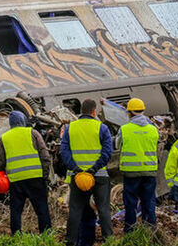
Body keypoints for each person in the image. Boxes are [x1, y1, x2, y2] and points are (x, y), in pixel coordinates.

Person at [61, 99, 113, 246]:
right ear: (94, 111)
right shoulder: (102, 128)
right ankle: (108, 241)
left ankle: (70, 241)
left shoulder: (70, 128)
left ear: (81, 111)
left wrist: (76, 169)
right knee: (103, 209)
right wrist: (93, 169)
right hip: (99, 176)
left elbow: (64, 152)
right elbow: (107, 152)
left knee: (75, 210)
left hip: (77, 177)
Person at [0, 111, 51, 235]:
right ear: (23, 121)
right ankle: (46, 235)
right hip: (35, 178)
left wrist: (2, 174)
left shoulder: (4, 138)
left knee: (16, 210)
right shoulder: (33, 133)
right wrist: (45, 176)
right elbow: (45, 156)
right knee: (42, 209)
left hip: (16, 180)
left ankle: (16, 235)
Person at [115, 98, 158, 232]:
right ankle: (150, 231)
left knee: (130, 203)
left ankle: (130, 231)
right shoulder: (153, 129)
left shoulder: (125, 129)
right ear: (143, 111)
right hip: (149, 171)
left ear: (129, 113)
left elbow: (117, 145)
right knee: (149, 202)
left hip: (131, 172)